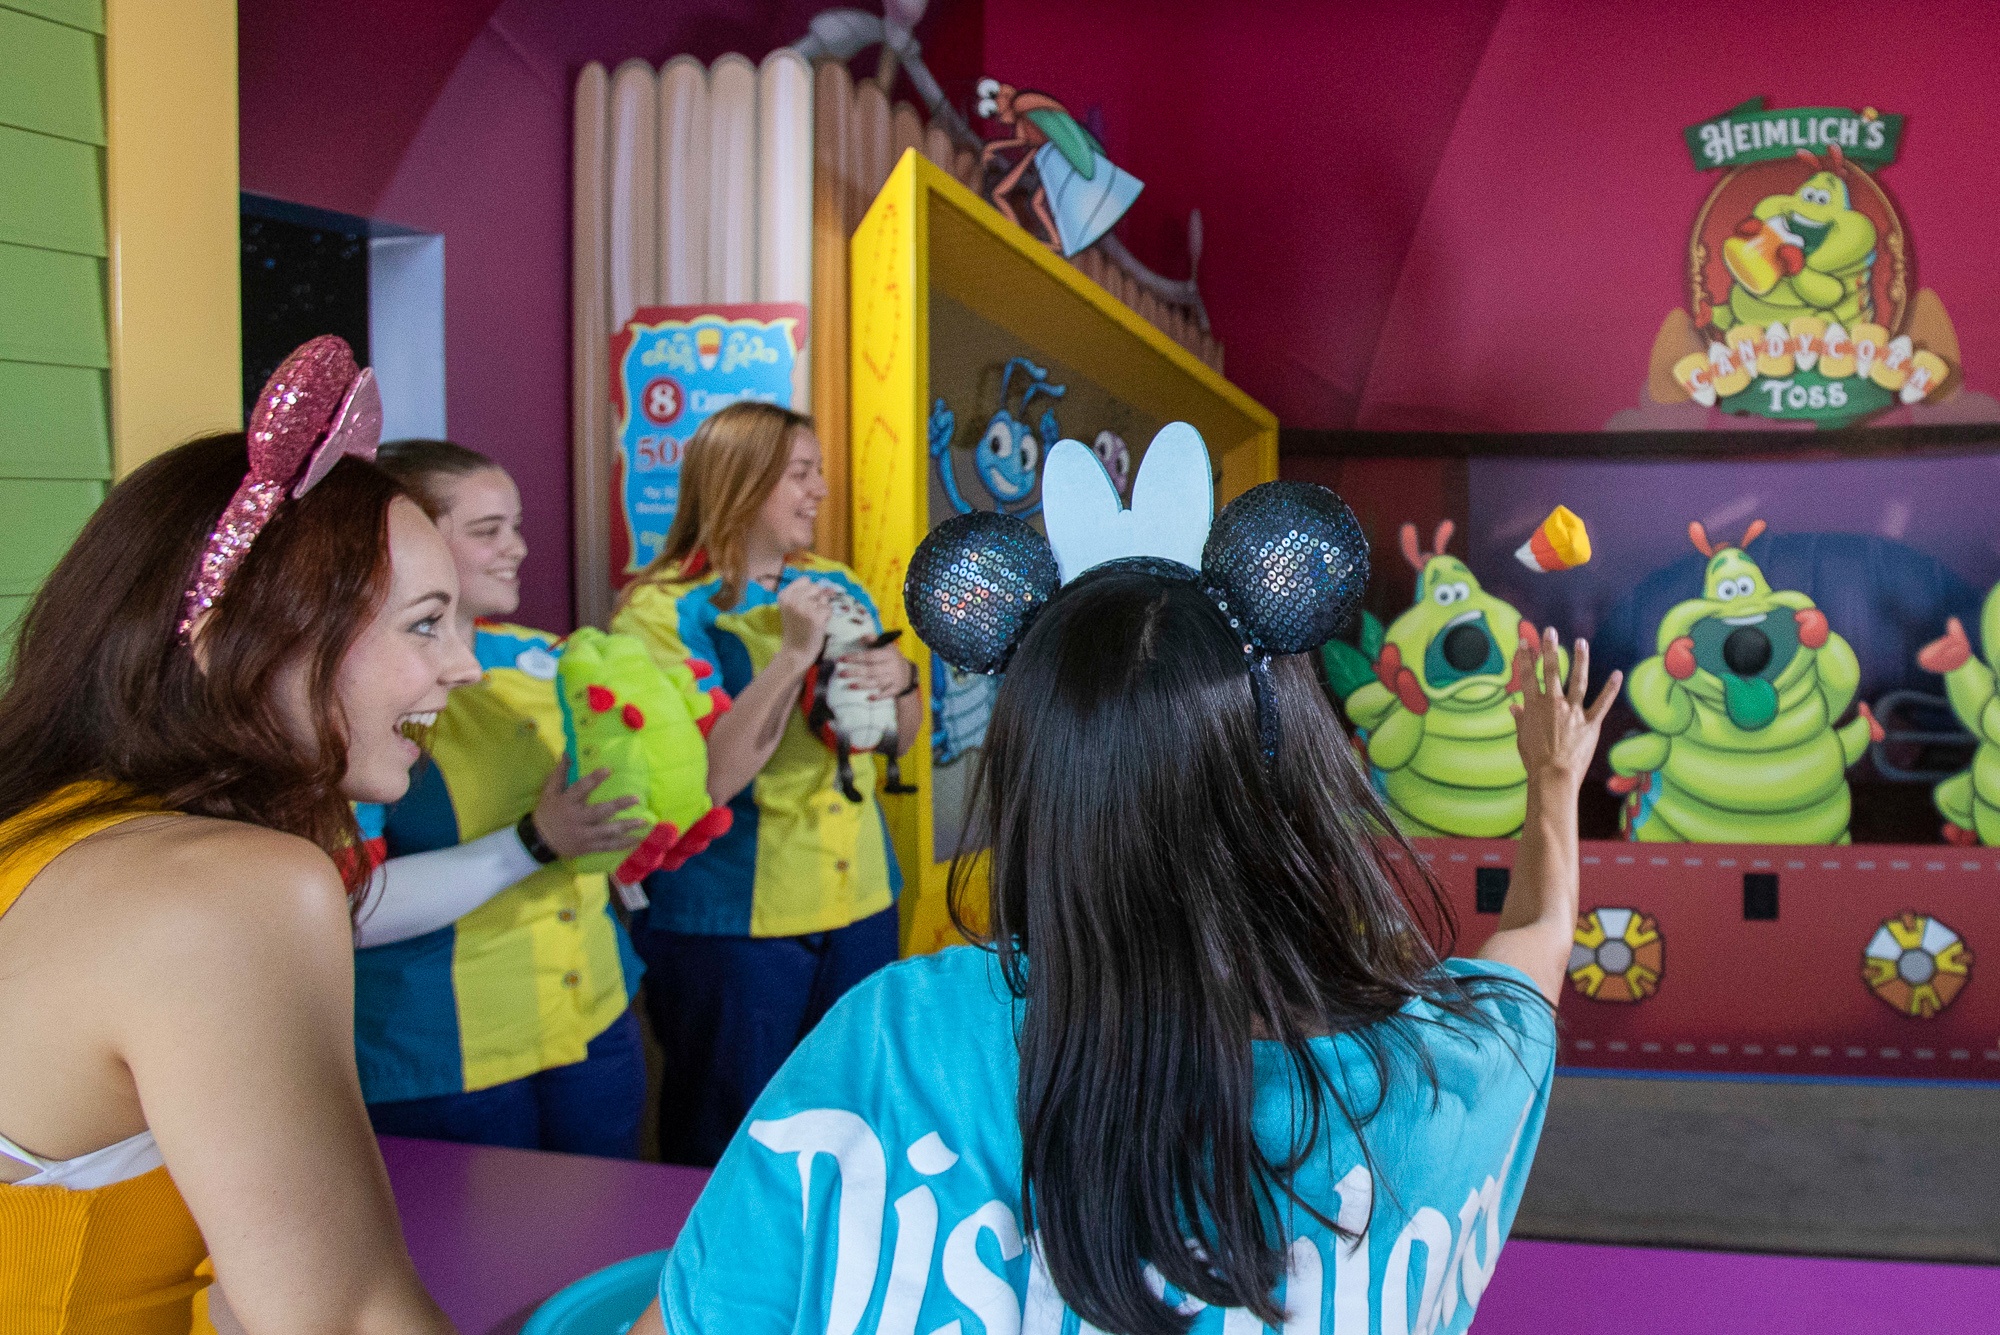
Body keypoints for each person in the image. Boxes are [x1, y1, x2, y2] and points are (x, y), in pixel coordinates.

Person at [635, 466, 1620, 1333]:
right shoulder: (1448, 1069)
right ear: (1296, 769)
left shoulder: (896, 1034)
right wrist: (1549, 781)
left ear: (1029, 782)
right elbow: (1534, 941)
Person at [0, 339, 468, 1332]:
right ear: (244, 634)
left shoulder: (46, 834)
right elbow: (345, 1318)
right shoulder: (231, 891)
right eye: (426, 623)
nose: (463, 665)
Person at [611, 402, 919, 1166]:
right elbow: (708, 781)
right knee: (732, 1139)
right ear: (741, 482)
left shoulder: (837, 581)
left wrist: (902, 679)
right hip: (732, 924)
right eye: (801, 473)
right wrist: (792, 654)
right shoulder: (655, 613)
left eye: (820, 471)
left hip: (861, 900)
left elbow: (897, 738)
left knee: (859, 1120)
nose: (820, 490)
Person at [352, 438, 656, 1158]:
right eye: (487, 530)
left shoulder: (550, 657)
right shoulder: (358, 688)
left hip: (593, 1017)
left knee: (606, 1250)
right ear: (410, 542)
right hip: (447, 1059)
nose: (516, 548)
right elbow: (348, 904)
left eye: (514, 526)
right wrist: (535, 839)